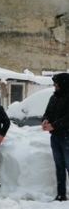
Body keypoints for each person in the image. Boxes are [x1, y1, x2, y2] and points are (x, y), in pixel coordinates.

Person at [42, 73, 69, 201]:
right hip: (55, 137)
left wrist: (55, 125)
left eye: (56, 82)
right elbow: (47, 112)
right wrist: (46, 120)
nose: (54, 85)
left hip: (67, 136)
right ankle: (61, 194)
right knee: (59, 166)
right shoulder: (54, 97)